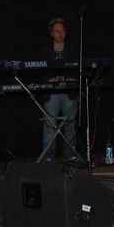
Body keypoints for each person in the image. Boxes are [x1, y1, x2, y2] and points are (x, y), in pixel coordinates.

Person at [38, 17, 79, 162]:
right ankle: (48, 157)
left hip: (69, 91)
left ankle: (70, 156)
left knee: (70, 125)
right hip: (51, 92)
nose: (60, 34)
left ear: (65, 33)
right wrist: (49, 79)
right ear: (51, 34)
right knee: (49, 125)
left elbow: (80, 69)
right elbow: (39, 71)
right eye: (57, 31)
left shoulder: (73, 50)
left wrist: (72, 78)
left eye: (62, 31)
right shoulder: (45, 51)